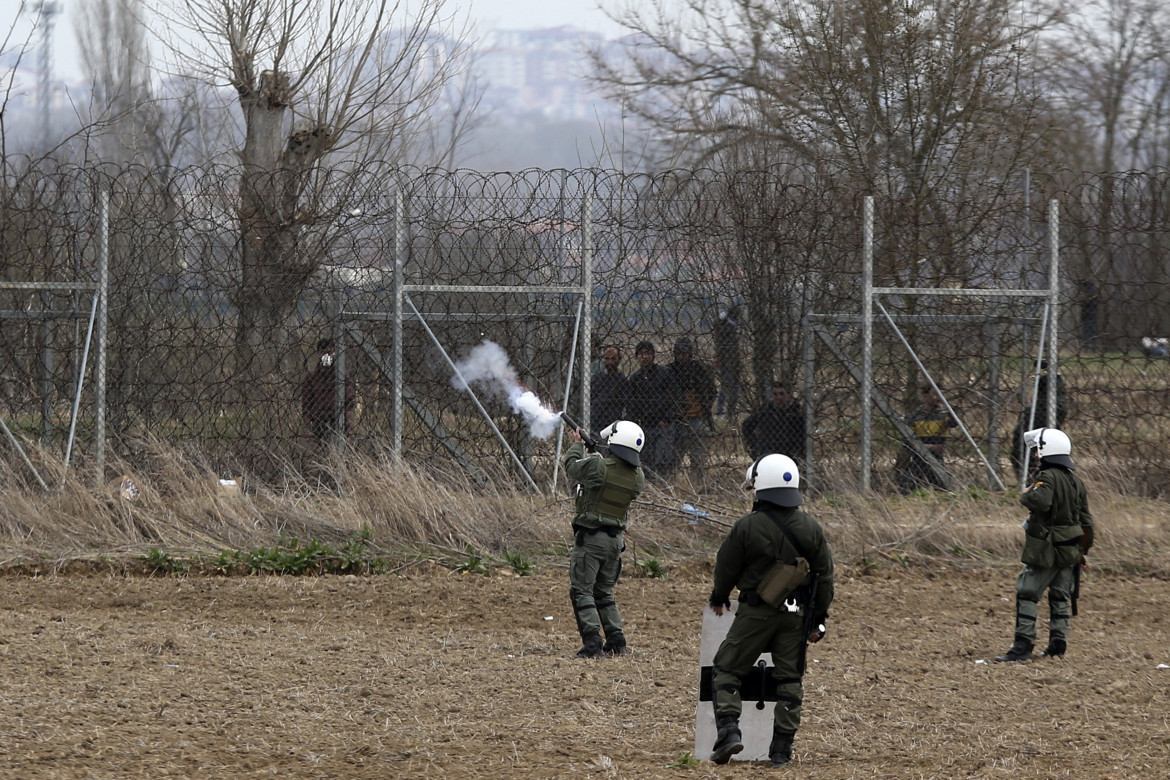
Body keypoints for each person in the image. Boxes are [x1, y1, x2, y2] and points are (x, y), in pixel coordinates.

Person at [707, 454, 834, 767]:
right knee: (789, 680)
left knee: (726, 669)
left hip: (756, 612)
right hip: (796, 614)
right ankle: (781, 750)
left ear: (760, 485)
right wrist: (818, 618)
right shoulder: (812, 528)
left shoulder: (747, 526)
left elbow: (726, 567)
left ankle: (729, 731)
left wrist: (720, 596)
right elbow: (826, 577)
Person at [995, 427, 1094, 662]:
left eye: (1039, 450)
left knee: (1027, 593)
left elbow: (1040, 500)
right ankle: (1058, 646)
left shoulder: (1047, 478)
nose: (1037, 455)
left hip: (1047, 548)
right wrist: (1083, 550)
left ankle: (1022, 647)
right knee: (1060, 597)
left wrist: (1026, 494)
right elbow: (1087, 521)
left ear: (1048, 451)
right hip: (1070, 548)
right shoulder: (1076, 481)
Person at [562, 420, 647, 658]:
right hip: (615, 542)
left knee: (582, 591)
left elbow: (572, 466)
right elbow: (610, 474)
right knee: (604, 592)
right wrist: (596, 457)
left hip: (591, 539)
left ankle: (592, 643)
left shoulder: (599, 466)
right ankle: (616, 640)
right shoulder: (638, 476)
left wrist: (578, 446)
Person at [669, 338, 717, 489]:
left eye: (684, 353)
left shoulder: (699, 370)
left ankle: (698, 484)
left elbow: (711, 391)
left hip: (697, 418)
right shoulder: (670, 371)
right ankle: (673, 483)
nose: (682, 357)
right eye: (679, 353)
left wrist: (704, 407)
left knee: (698, 456)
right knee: (675, 455)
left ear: (690, 354)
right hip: (679, 419)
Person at [626, 341, 678, 477]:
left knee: (663, 459)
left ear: (653, 356)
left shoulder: (664, 373)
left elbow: (674, 398)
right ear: (637, 357)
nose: (645, 357)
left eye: (648, 353)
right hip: (645, 426)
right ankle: (650, 487)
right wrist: (634, 423)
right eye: (641, 354)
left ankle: (664, 485)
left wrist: (667, 419)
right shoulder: (635, 379)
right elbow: (632, 404)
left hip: (663, 425)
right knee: (647, 460)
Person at [1010, 362, 1068, 480]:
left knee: (1028, 447)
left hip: (1034, 438)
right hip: (1031, 444)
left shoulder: (1045, 410)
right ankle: (1030, 478)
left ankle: (1031, 479)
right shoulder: (1038, 411)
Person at [897, 384, 957, 495]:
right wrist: (930, 447)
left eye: (941, 395)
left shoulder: (943, 416)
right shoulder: (915, 417)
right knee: (906, 488)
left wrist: (950, 411)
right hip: (918, 459)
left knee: (943, 487)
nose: (938, 397)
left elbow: (953, 423)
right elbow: (907, 443)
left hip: (936, 459)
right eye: (935, 394)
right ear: (925, 396)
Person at [301, 337, 356, 443]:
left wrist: (350, 430)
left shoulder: (342, 376)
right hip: (319, 426)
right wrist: (308, 429)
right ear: (318, 354)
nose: (327, 356)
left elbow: (350, 403)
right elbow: (306, 405)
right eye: (323, 352)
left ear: (334, 354)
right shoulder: (311, 378)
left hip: (340, 424)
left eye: (330, 352)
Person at [741, 383, 806, 465]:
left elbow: (803, 436)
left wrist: (798, 453)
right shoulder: (765, 411)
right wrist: (755, 445)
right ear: (772, 396)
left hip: (790, 455)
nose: (779, 397)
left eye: (782, 394)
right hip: (768, 454)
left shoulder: (796, 413)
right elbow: (746, 426)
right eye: (775, 394)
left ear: (788, 395)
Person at [590, 345, 629, 431]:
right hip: (595, 422)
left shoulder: (622, 381)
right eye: (607, 359)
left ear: (619, 359)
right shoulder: (596, 378)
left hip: (613, 423)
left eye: (613, 359)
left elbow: (626, 404)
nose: (610, 362)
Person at [714, 306, 743, 419]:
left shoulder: (727, 327)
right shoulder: (728, 328)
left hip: (730, 363)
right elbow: (727, 349)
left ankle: (725, 412)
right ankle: (724, 412)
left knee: (728, 388)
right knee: (728, 388)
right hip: (728, 364)